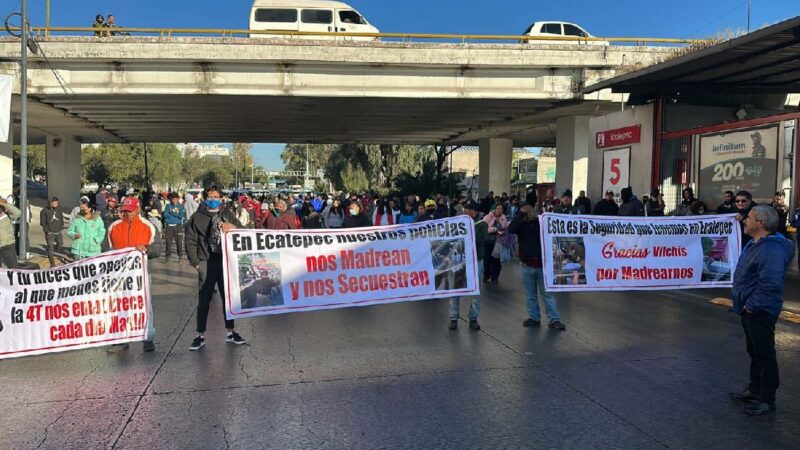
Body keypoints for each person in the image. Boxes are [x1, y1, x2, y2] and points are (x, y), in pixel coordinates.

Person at [729, 206, 794, 416]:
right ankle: (754, 389)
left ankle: (767, 398)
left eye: (749, 218)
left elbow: (770, 283)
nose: (745, 220)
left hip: (760, 310)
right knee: (755, 351)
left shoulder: (771, 250)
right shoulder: (758, 244)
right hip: (751, 307)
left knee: (764, 354)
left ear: (760, 223)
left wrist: (752, 305)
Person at [185, 186, 246, 351]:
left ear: (221, 198)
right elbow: (190, 240)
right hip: (206, 261)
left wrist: (233, 227)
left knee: (228, 298)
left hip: (225, 260)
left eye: (216, 196)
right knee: (204, 299)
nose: (214, 198)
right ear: (205, 198)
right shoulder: (197, 217)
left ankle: (230, 332)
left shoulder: (227, 214)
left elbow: (242, 230)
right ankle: (200, 335)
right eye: (210, 196)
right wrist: (195, 262)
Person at [107, 197, 157, 352]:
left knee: (144, 305)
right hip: (118, 276)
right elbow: (106, 251)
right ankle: (121, 339)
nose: (126, 213)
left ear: (138, 209)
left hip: (140, 275)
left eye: (129, 211)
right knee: (119, 305)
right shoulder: (114, 227)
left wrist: (147, 248)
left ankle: (147, 338)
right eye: (124, 210)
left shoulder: (148, 227)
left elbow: (158, 248)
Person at [509, 204, 566, 331]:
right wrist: (520, 215)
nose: (528, 213)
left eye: (529, 211)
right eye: (525, 212)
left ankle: (554, 319)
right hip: (527, 264)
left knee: (548, 294)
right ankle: (534, 317)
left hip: (542, 265)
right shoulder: (521, 225)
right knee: (530, 294)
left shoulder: (541, 223)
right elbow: (511, 228)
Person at [449, 200, 488, 331]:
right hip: (459, 259)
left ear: (475, 212)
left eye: (469, 209)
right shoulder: (457, 223)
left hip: (476, 260)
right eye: (465, 209)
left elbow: (480, 240)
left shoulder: (482, 225)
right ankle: (454, 317)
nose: (466, 211)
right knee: (456, 289)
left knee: (475, 291)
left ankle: (473, 318)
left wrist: (467, 228)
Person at [482, 204, 509, 284]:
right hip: (488, 241)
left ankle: (495, 277)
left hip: (499, 242)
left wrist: (503, 229)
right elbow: (484, 228)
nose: (499, 210)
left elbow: (506, 227)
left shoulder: (503, 218)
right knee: (487, 260)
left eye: (501, 209)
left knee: (497, 261)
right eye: (498, 208)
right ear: (495, 209)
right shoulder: (488, 217)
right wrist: (495, 229)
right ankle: (486, 275)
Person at [40, 197, 65, 266]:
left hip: (58, 232)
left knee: (60, 244)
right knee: (50, 247)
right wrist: (47, 231)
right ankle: (52, 262)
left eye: (57, 202)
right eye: (54, 203)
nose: (56, 204)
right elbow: (42, 223)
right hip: (50, 233)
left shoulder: (59, 209)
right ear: (50, 203)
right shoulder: (44, 211)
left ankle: (50, 249)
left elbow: (61, 219)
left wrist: (61, 227)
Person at [163, 193, 187, 262]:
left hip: (178, 226)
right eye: (173, 199)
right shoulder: (168, 206)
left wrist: (172, 213)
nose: (174, 201)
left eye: (176, 199)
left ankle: (180, 256)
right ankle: (167, 256)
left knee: (179, 242)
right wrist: (170, 216)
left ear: (178, 199)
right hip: (169, 226)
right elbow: (165, 215)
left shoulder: (180, 206)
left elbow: (181, 216)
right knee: (168, 242)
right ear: (171, 199)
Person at [0, 198, 21, 268]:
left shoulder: (7, 216)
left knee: (13, 269)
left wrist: (5, 204)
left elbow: (18, 213)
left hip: (7, 246)